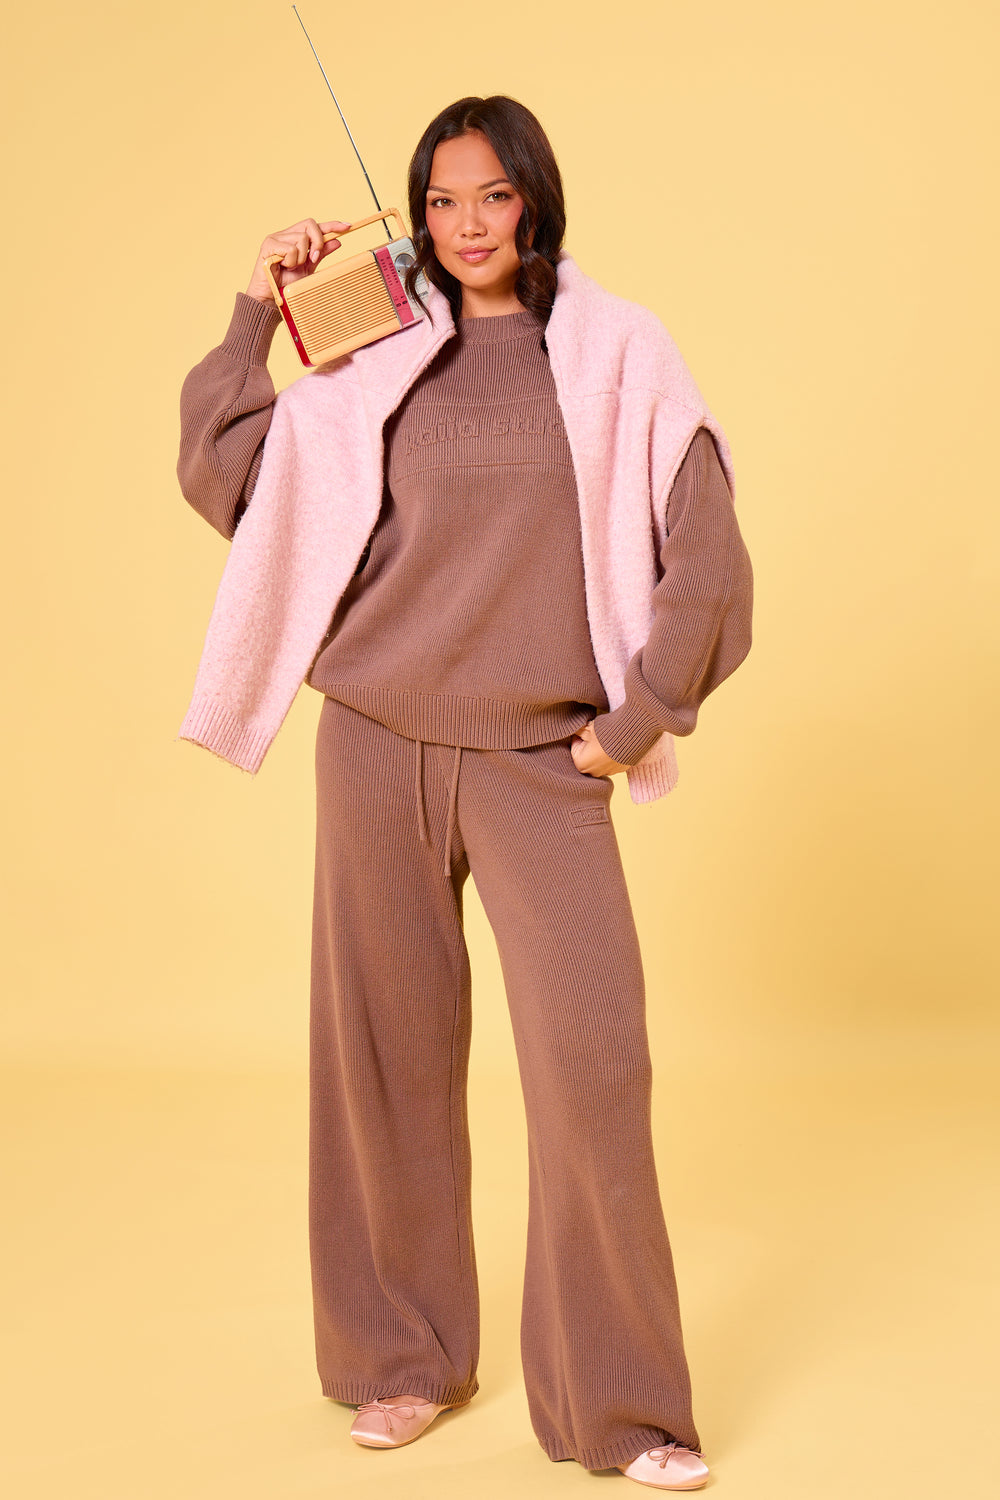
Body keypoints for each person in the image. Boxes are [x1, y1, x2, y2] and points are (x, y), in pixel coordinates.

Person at [176, 95, 753, 1491]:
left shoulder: (618, 348)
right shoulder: (376, 343)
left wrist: (636, 720)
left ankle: (621, 1409)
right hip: (376, 740)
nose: (467, 224)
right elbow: (232, 478)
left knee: (593, 1067)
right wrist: (256, 312)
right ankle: (400, 1358)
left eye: (492, 196)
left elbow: (709, 554)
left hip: (539, 762)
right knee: (382, 1059)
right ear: (417, 215)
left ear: (534, 199)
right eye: (441, 201)